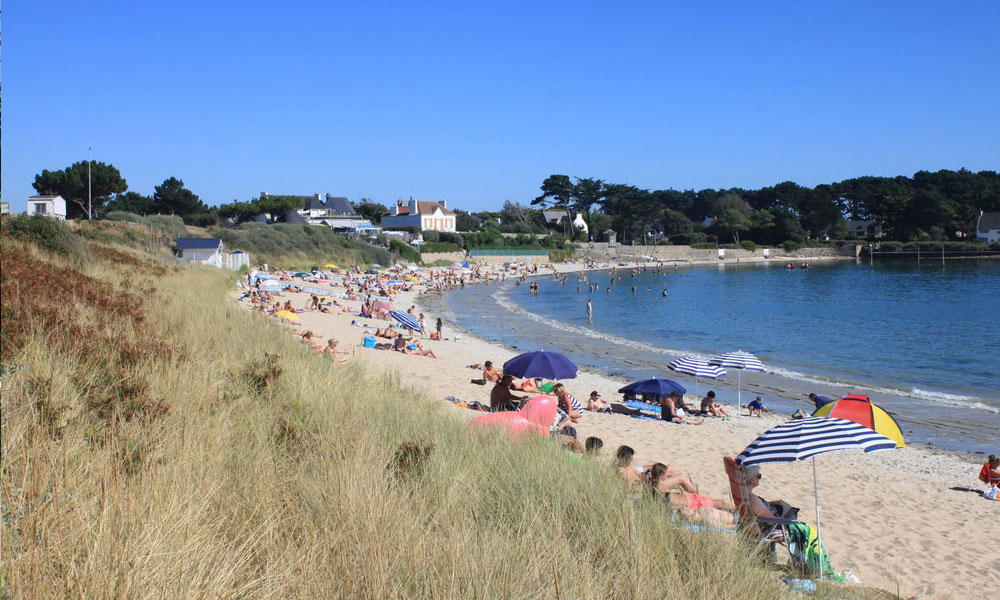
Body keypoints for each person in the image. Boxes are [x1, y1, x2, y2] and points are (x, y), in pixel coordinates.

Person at [643, 463, 735, 526]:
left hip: (689, 498)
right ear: (661, 475)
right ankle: (739, 510)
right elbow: (673, 505)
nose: (668, 476)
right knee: (720, 503)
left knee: (719, 503)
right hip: (694, 503)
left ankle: (737, 510)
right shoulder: (663, 491)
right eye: (666, 474)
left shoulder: (655, 486)